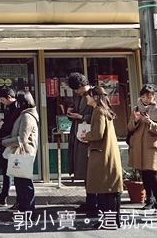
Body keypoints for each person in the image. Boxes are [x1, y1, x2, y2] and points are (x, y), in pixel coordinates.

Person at [84, 86, 123, 227]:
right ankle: (115, 220)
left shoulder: (98, 111)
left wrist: (86, 135)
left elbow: (98, 134)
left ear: (95, 97)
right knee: (113, 189)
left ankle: (111, 221)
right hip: (109, 153)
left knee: (108, 189)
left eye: (88, 95)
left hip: (103, 154)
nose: (86, 98)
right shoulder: (105, 110)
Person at [127, 84, 157, 216]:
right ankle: (149, 200)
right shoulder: (136, 108)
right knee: (144, 173)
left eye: (148, 97)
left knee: (152, 174)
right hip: (139, 146)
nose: (145, 99)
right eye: (143, 96)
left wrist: (150, 122)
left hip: (151, 147)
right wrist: (136, 120)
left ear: (153, 96)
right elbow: (130, 128)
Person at [0, 90, 38, 213]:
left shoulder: (27, 116)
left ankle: (28, 211)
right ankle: (23, 208)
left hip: (24, 153)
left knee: (25, 184)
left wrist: (4, 142)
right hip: (21, 153)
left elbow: (21, 139)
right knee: (20, 183)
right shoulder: (25, 114)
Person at [66, 72, 97, 214]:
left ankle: (94, 202)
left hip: (89, 137)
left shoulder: (96, 94)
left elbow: (102, 114)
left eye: (77, 89)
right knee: (85, 172)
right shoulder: (80, 97)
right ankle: (90, 201)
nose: (77, 92)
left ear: (84, 84)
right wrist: (71, 112)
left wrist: (81, 116)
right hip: (79, 135)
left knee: (91, 172)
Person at [0, 87, 22, 207]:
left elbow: (12, 127)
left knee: (13, 173)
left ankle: (9, 198)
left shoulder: (17, 109)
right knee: (7, 171)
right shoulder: (13, 108)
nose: (2, 103)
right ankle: (4, 196)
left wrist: (3, 125)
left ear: (9, 97)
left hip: (11, 144)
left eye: (3, 100)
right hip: (8, 143)